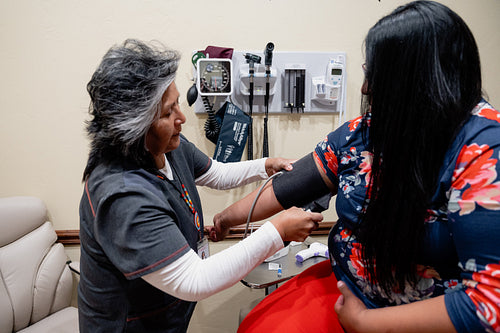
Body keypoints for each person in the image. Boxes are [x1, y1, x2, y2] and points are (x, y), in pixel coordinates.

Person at [212, 2, 500, 332]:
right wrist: (225, 219)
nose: (365, 89)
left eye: (375, 77)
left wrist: (367, 323)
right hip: (346, 288)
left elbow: (488, 305)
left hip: (421, 319)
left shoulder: (484, 150)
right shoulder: (364, 132)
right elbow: (291, 185)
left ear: (416, 82)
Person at [78, 39, 323, 332]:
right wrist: (277, 231)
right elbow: (195, 280)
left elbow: (216, 173)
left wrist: (264, 165)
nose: (182, 117)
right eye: (168, 113)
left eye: (177, 103)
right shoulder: (122, 194)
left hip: (167, 316)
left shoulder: (167, 147)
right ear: (136, 126)